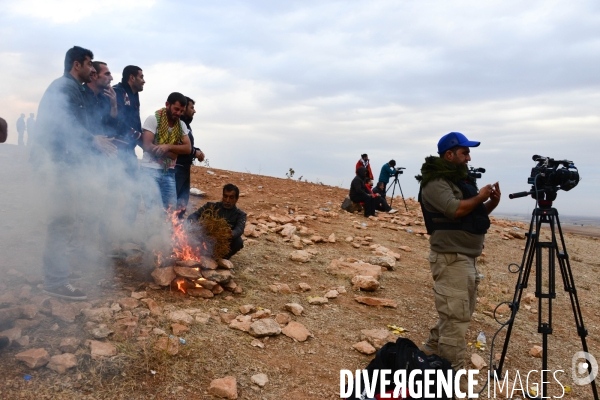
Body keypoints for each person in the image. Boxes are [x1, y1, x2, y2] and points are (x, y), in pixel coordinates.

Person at [36, 46, 117, 300]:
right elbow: (64, 125)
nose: (93, 69)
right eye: (89, 63)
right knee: (61, 220)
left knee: (66, 220)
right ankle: (56, 281)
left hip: (66, 164)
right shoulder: (65, 87)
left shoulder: (76, 89)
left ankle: (59, 273)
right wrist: (91, 140)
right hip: (58, 163)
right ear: (76, 64)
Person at [417, 131, 500, 374]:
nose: (469, 158)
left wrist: (491, 202)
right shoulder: (435, 182)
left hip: (465, 258)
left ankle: (431, 349)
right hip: (451, 258)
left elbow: (472, 214)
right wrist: (480, 196)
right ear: (449, 154)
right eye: (465, 152)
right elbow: (455, 210)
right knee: (456, 319)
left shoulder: (457, 181)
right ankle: (452, 374)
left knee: (458, 313)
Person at [140, 92, 192, 211]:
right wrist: (173, 153)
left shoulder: (181, 125)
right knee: (153, 209)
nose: (178, 113)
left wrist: (167, 147)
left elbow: (188, 148)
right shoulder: (153, 119)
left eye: (181, 111)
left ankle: (164, 230)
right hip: (149, 170)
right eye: (176, 109)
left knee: (170, 211)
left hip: (169, 172)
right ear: (168, 104)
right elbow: (147, 146)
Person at [113, 65, 145, 224]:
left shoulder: (135, 95)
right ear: (131, 78)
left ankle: (126, 231)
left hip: (128, 152)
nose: (144, 81)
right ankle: (104, 233)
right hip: (113, 152)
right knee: (109, 194)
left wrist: (145, 144)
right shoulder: (117, 92)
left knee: (134, 193)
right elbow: (117, 122)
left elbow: (135, 123)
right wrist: (140, 137)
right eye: (141, 77)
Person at [187, 184, 247, 259]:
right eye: (225, 196)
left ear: (236, 199)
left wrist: (231, 233)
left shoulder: (240, 214)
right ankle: (198, 254)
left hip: (224, 242)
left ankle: (221, 259)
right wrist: (195, 223)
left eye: (231, 197)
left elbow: (240, 228)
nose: (227, 200)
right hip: (207, 239)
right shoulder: (210, 206)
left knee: (238, 242)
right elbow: (193, 216)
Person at [175, 96, 205, 218]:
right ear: (185, 107)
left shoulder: (186, 125)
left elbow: (188, 146)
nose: (194, 110)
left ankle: (178, 231)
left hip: (185, 168)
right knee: (174, 201)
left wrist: (196, 151)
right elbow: (178, 144)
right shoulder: (179, 123)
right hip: (177, 168)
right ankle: (167, 231)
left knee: (182, 202)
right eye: (192, 107)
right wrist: (195, 153)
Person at [83, 61, 118, 138]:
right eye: (107, 74)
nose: (111, 78)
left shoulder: (104, 97)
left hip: (100, 149)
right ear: (95, 76)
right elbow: (74, 125)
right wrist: (93, 139)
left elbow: (110, 128)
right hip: (82, 147)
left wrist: (114, 106)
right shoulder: (81, 95)